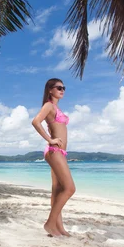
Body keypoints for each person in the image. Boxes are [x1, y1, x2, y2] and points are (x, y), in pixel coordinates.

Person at [32, 78, 76, 237]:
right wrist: (50, 140)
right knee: (70, 188)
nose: (62, 90)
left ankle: (59, 228)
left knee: (57, 190)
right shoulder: (49, 106)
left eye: (64, 87)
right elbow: (36, 121)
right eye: (59, 87)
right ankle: (50, 224)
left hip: (61, 152)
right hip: (54, 150)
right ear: (50, 90)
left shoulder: (56, 107)